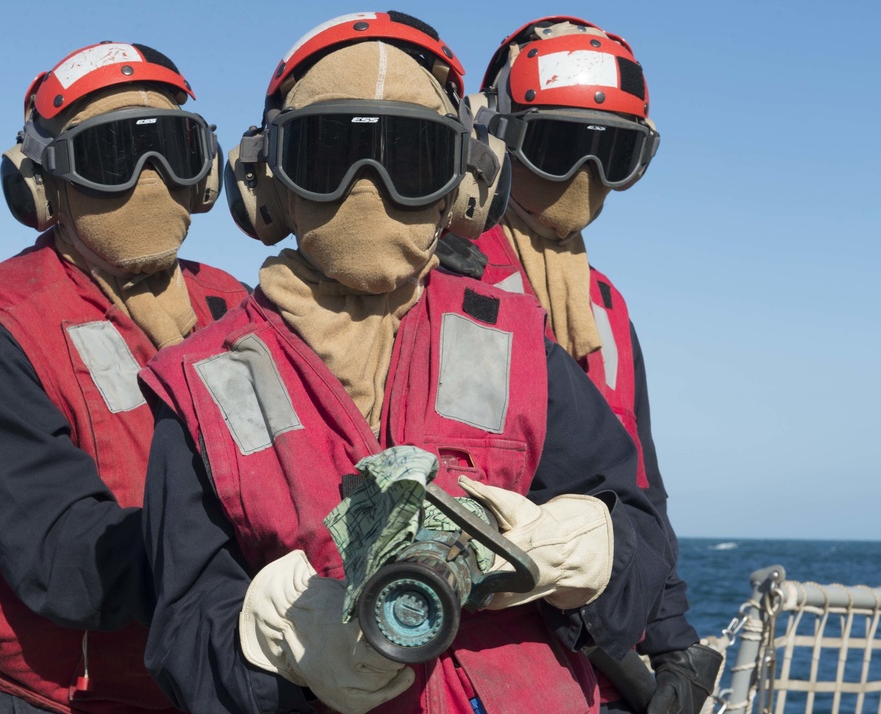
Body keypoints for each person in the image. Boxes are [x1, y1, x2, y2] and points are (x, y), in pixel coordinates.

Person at [140, 11, 674, 714]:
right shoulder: (204, 380)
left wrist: (594, 553)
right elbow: (184, 628)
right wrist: (276, 651)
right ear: (267, 184)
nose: (370, 188)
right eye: (330, 156)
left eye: (412, 161)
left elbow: (636, 524)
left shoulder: (514, 341)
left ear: (466, 184)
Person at [0, 42, 248, 713]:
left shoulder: (240, 308)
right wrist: (264, 562)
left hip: (208, 684)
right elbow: (65, 560)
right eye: (111, 157)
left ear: (205, 171)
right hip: (44, 699)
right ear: (43, 188)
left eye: (173, 152)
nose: (150, 181)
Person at [440, 16, 723, 713]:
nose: (583, 177)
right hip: (472, 659)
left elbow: (639, 486)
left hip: (594, 669)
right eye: (560, 146)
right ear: (493, 135)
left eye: (611, 155)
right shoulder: (444, 279)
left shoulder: (604, 306)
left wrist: (672, 636)